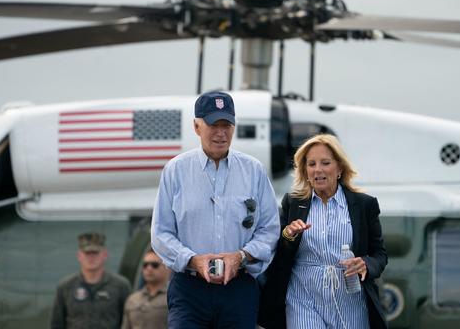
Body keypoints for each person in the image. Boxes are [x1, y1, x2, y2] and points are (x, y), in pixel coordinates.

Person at [151, 91, 280, 328]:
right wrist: (192, 260)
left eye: (226, 125)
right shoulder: (175, 170)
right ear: (197, 126)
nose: (221, 133)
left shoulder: (254, 171)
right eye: (213, 125)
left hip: (239, 288)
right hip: (189, 289)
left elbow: (270, 229)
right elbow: (161, 233)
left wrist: (241, 256)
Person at [258, 134, 388, 329]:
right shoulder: (293, 203)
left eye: (325, 163)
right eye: (311, 164)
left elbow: (380, 254)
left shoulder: (363, 205)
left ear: (339, 168)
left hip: (350, 298)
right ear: (305, 170)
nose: (317, 169)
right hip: (303, 297)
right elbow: (278, 253)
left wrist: (365, 265)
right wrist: (287, 236)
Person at [51, 232, 131, 329]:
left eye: (95, 253)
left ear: (105, 255)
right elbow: (57, 324)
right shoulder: (66, 287)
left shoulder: (120, 286)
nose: (91, 258)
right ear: (79, 256)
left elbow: (128, 322)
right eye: (87, 253)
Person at [121, 250, 170, 329]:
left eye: (155, 265)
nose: (149, 268)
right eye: (145, 265)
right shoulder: (133, 299)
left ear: (167, 268)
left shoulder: (173, 297)